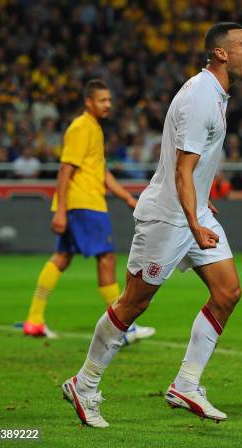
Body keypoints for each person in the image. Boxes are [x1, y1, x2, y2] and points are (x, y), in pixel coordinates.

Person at [61, 23, 242, 427]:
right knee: (133, 302)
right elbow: (182, 172)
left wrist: (201, 204)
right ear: (222, 53)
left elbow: (191, 171)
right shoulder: (201, 97)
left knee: (228, 292)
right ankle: (84, 384)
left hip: (193, 212)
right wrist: (192, 215)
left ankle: (186, 383)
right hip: (169, 217)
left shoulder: (216, 93)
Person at [23, 79, 155, 344]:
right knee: (106, 259)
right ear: (89, 102)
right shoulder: (81, 127)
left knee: (62, 257)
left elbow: (101, 172)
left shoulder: (93, 129)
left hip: (83, 203)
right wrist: (60, 211)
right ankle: (123, 328)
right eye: (102, 100)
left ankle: (34, 320)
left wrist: (128, 198)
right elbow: (65, 169)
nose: (108, 104)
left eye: (109, 100)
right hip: (85, 204)